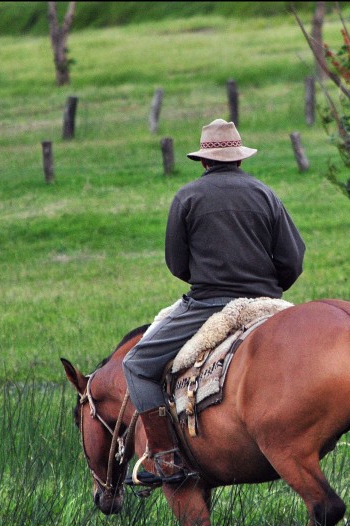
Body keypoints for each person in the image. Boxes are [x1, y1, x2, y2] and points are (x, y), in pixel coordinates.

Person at [123, 118, 306, 464]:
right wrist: (267, 291)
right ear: (240, 159)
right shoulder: (266, 194)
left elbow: (177, 265)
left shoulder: (186, 197)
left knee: (135, 365)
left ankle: (164, 455)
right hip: (265, 301)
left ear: (203, 161)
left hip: (207, 306)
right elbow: (293, 259)